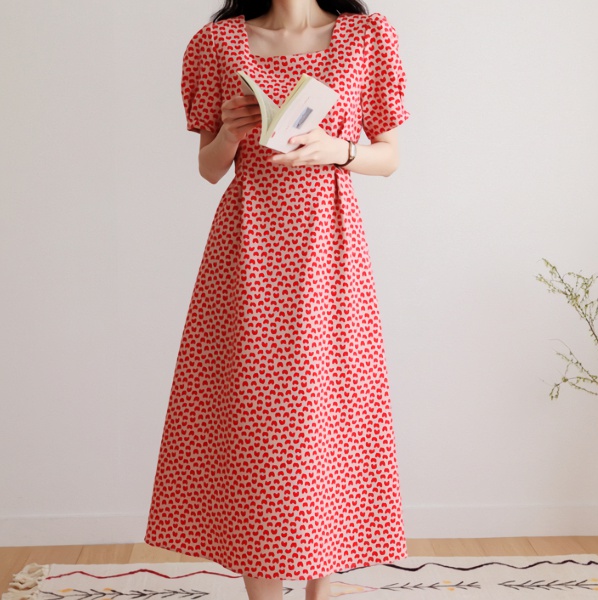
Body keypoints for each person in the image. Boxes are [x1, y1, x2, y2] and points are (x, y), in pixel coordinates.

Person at [145, 1, 411, 599]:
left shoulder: (367, 36)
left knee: (326, 415)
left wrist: (338, 150)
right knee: (255, 422)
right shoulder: (218, 44)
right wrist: (231, 133)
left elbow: (390, 155)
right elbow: (208, 168)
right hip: (250, 247)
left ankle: (322, 591)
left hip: (329, 248)